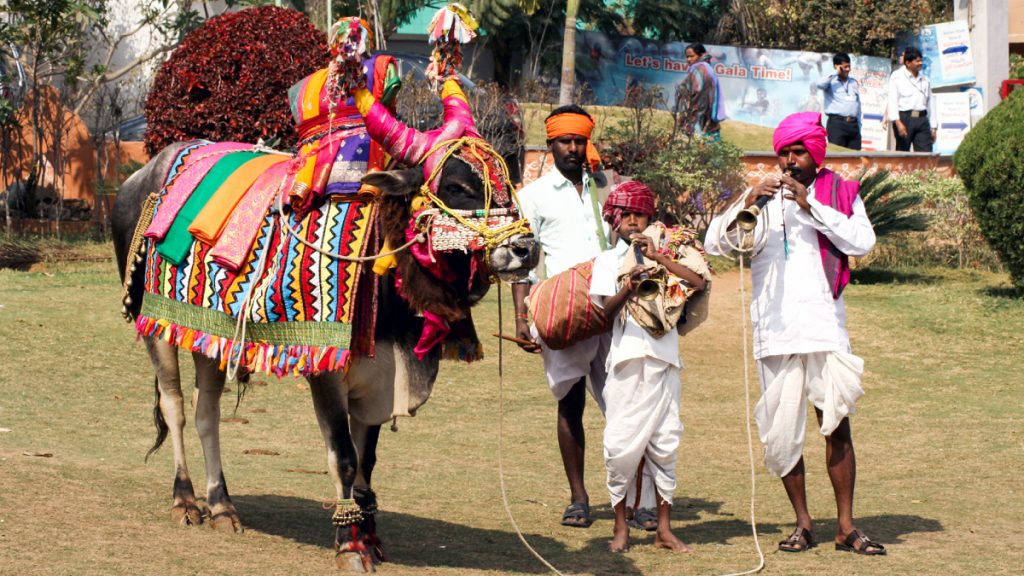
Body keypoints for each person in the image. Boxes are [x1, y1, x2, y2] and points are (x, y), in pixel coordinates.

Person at [704, 112, 886, 556]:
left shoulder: (841, 192)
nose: (789, 160)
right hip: (775, 331)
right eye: (784, 151)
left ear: (816, 152)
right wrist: (748, 198)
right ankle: (803, 524)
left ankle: (845, 526)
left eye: (798, 151)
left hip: (824, 328)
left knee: (837, 426)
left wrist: (811, 205)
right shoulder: (761, 198)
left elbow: (862, 243)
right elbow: (715, 244)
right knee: (784, 434)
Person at [513, 105, 659, 529]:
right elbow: (523, 258)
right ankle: (579, 498)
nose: (573, 149)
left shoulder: (607, 189)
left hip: (616, 307)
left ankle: (641, 501)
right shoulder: (535, 195)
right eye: (565, 141)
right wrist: (524, 319)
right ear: (551, 143)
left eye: (580, 141)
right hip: (563, 311)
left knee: (628, 405)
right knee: (570, 403)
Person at [589, 181, 709, 553]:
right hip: (626, 361)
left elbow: (698, 283)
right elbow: (601, 316)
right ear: (613, 219)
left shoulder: (667, 251)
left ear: (648, 217)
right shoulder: (607, 261)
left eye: (638, 213)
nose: (631, 221)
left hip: (665, 359)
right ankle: (620, 528)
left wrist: (659, 259)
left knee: (665, 442)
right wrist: (628, 287)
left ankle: (664, 529)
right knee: (620, 446)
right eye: (624, 214)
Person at [887, 46, 936, 152]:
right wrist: (898, 122)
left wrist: (933, 127)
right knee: (903, 155)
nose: (920, 63)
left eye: (921, 60)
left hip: (922, 119)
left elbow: (930, 104)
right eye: (917, 61)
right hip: (905, 119)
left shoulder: (925, 79)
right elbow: (892, 101)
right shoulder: (897, 77)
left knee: (926, 154)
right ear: (908, 63)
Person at [675, 42, 727, 140]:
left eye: (691, 56)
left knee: (695, 149)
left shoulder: (700, 69)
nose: (688, 59)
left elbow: (692, 92)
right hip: (709, 120)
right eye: (687, 57)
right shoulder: (707, 68)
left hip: (699, 119)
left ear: (701, 55)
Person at [816, 52, 862, 150]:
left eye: (849, 66)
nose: (848, 69)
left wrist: (859, 125)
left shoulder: (853, 82)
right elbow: (819, 84)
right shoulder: (830, 81)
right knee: (837, 156)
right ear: (837, 66)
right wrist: (835, 72)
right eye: (845, 67)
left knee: (855, 158)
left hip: (853, 125)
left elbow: (857, 104)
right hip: (837, 124)